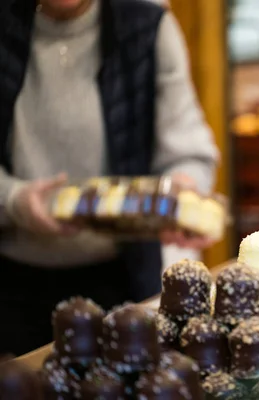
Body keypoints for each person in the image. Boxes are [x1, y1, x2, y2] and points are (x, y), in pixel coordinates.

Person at [0, 0, 220, 356]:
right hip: (11, 290)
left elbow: (189, 148)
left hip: (127, 282)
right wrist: (14, 199)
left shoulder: (147, 26)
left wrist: (182, 191)